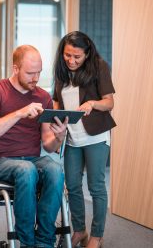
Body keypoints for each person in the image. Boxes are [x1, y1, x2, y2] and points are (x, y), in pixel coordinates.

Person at [0, 45, 68, 248]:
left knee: (55, 168)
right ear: (15, 69)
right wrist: (19, 113)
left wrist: (59, 137)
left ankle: (44, 241)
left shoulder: (43, 97)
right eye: (30, 73)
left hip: (33, 159)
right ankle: (27, 242)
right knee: (26, 169)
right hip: (1, 162)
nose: (35, 78)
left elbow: (48, 144)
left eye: (39, 73)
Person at [52, 31, 116, 248]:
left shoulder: (99, 66)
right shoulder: (62, 70)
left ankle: (96, 236)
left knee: (96, 186)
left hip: (96, 135)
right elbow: (56, 101)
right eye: (67, 55)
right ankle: (79, 230)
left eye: (77, 57)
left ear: (87, 54)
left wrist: (92, 104)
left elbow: (109, 102)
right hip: (72, 137)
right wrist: (52, 116)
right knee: (72, 185)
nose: (71, 60)